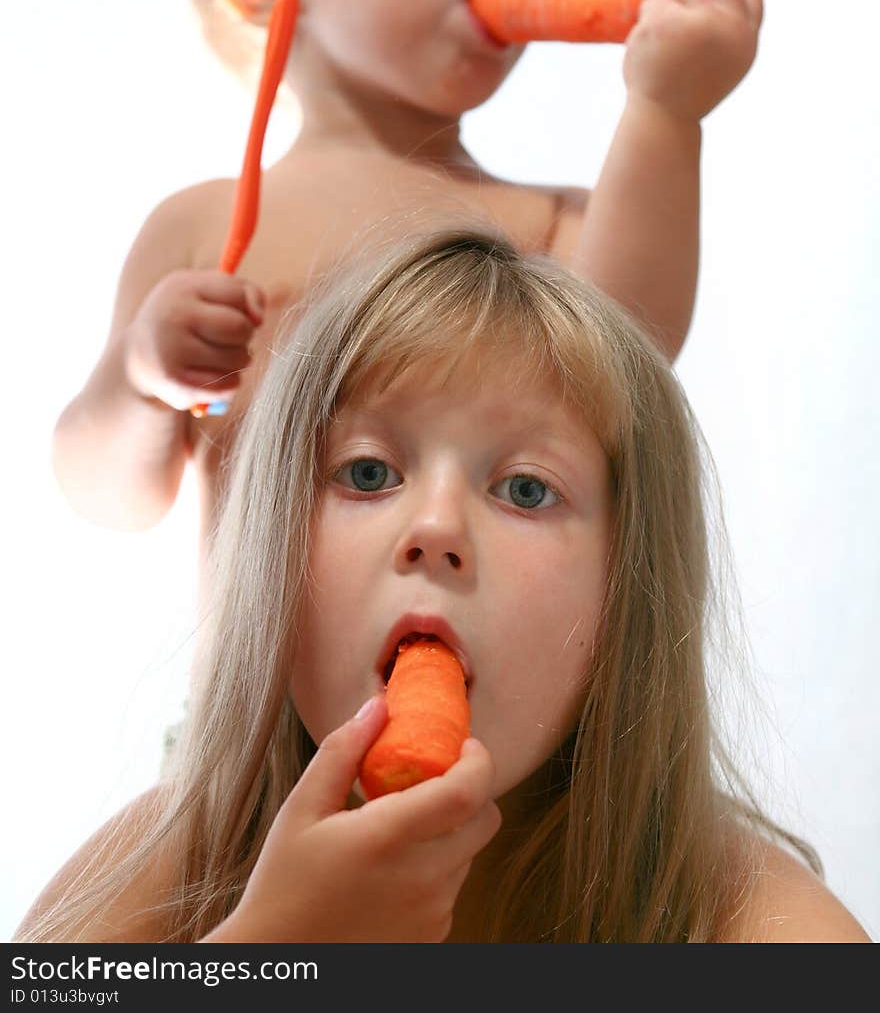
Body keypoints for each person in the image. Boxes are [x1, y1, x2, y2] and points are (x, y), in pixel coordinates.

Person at [19, 229, 869, 942]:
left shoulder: (725, 906)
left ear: (628, 597)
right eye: (366, 472)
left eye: (526, 489)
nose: (435, 530)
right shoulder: (182, 852)